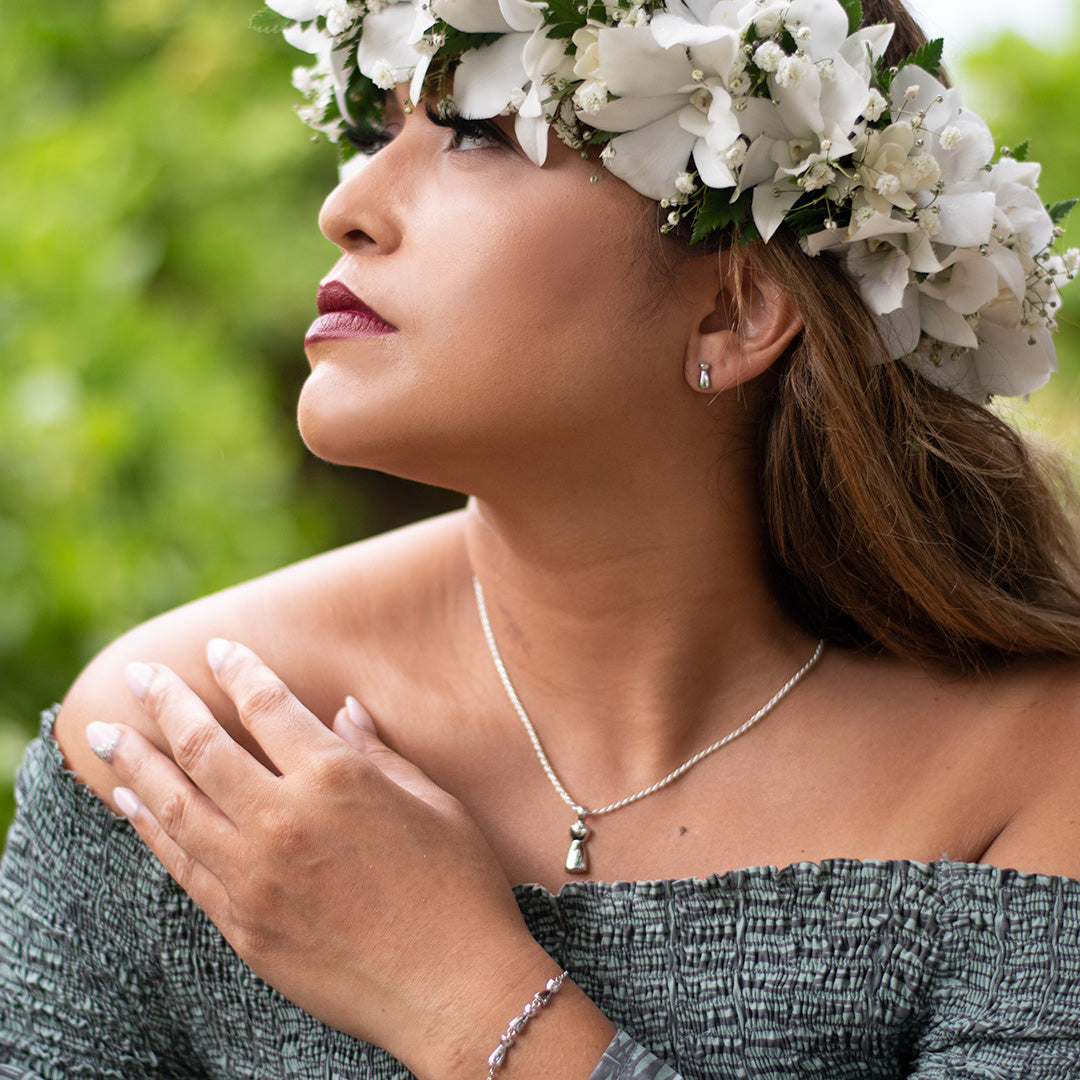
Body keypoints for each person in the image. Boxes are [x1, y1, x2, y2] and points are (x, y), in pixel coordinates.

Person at [3, 0, 1080, 1076]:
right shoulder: (182, 744)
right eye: (379, 132)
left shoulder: (1030, 772)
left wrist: (456, 989)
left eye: (476, 131)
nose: (346, 206)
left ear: (736, 311)